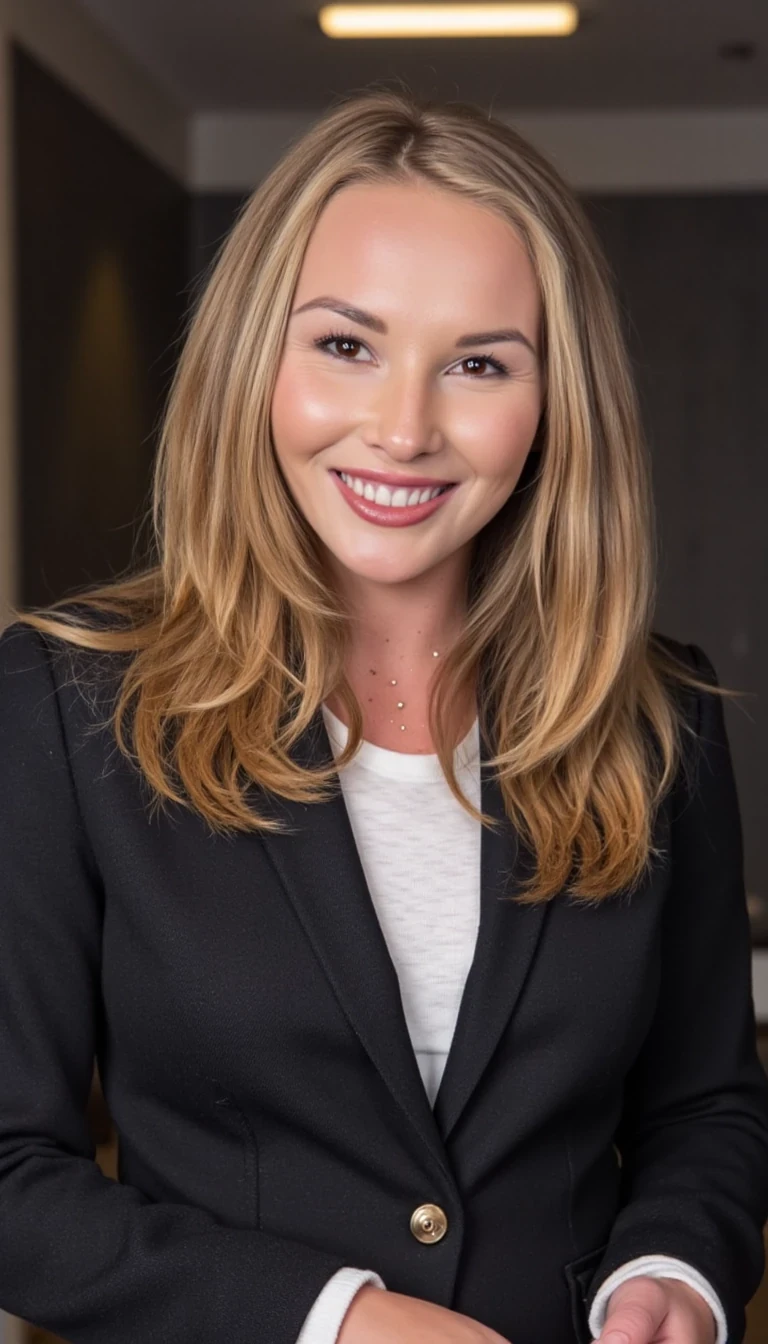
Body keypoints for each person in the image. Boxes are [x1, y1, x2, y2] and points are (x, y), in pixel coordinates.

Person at [0, 87, 767, 1344]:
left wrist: (672, 1275)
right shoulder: (63, 703)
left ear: (553, 407)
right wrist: (338, 1321)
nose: (404, 429)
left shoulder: (658, 719)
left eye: (477, 364)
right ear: (259, 360)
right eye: (346, 345)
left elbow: (707, 1111)